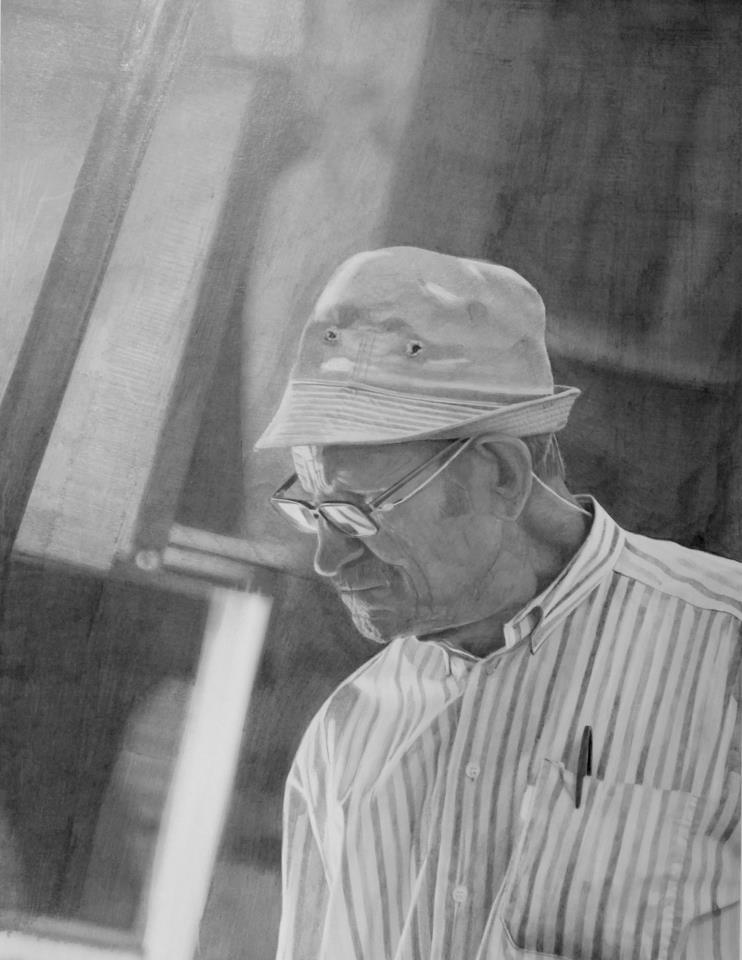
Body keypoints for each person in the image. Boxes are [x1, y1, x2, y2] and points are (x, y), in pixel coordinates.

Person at [255, 246, 740, 960]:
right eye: (314, 511)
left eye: (358, 513)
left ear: (501, 476)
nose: (328, 559)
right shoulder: (347, 735)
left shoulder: (726, 655)